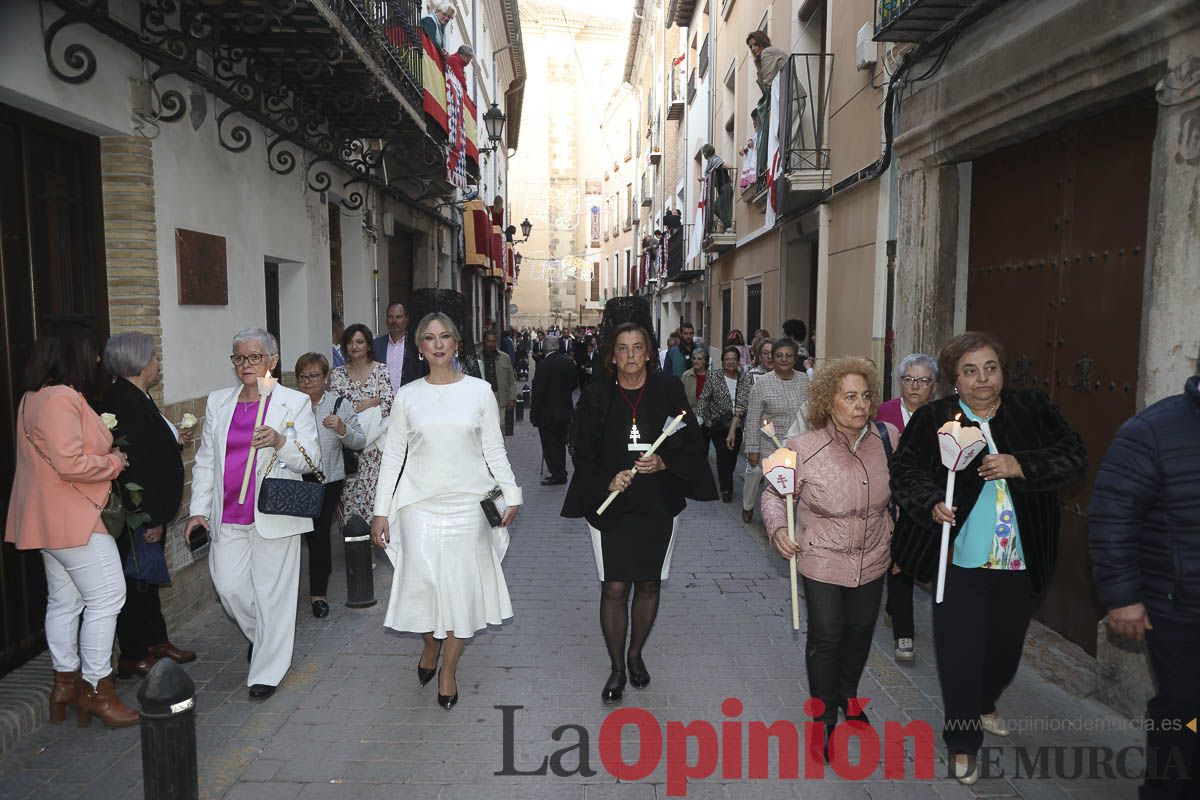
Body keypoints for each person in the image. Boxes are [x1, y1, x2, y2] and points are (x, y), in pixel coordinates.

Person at [889, 331, 1086, 785]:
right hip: (957, 560)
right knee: (959, 651)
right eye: (971, 371)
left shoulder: (1032, 409)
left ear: (1003, 371)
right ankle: (962, 739)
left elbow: (1073, 455)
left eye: (991, 368)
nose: (983, 379)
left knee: (1004, 652)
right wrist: (930, 502)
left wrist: (1022, 465)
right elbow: (905, 469)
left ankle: (984, 699)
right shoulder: (936, 417)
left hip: (1020, 557)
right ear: (954, 379)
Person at [371, 313, 521, 710]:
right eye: (429, 338)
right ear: (419, 348)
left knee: (460, 590)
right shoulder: (407, 397)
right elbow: (392, 458)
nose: (438, 344)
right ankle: (429, 644)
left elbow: (493, 450)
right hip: (418, 504)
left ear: (456, 344)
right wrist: (380, 510)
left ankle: (448, 670)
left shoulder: (480, 391)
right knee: (423, 584)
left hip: (468, 505)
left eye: (445, 337)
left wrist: (513, 494)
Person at [562, 322, 717, 704]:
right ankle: (616, 667)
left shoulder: (668, 391)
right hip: (611, 503)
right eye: (622, 348)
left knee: (648, 582)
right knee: (614, 585)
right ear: (612, 356)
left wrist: (665, 461)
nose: (630, 356)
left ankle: (635, 655)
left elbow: (691, 440)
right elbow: (580, 449)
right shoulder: (597, 395)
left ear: (649, 352)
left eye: (637, 348)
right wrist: (605, 479)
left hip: (657, 502)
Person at [765, 358, 898, 763]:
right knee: (827, 637)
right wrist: (778, 530)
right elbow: (774, 494)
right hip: (821, 555)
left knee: (860, 633)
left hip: (873, 555)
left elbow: (901, 494)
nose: (861, 405)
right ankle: (822, 718)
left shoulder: (886, 439)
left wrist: (900, 541)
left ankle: (848, 696)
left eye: (866, 396)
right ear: (829, 402)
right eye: (850, 397)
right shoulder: (803, 447)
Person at [6, 320, 135, 727]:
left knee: (65, 601)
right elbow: (70, 463)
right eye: (92, 349)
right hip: (75, 519)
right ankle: (98, 689)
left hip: (48, 522)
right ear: (72, 352)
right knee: (107, 598)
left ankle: (65, 682)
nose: (98, 358)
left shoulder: (31, 397)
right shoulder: (61, 397)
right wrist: (114, 462)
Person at [185, 328, 320, 701]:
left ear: (273, 361)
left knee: (272, 594)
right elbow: (206, 460)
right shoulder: (219, 402)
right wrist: (198, 510)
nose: (246, 365)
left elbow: (313, 458)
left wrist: (280, 441)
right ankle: (264, 639)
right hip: (227, 513)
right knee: (229, 587)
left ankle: (267, 670)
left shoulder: (292, 402)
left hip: (274, 510)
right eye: (239, 358)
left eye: (254, 357)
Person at [1088, 360, 1200, 800]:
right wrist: (1123, 599)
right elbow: (1112, 517)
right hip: (1181, 606)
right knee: (1186, 708)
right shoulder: (1154, 429)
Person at [99, 332, 195, 679]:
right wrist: (151, 517)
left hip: (151, 509)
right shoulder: (121, 402)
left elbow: (153, 449)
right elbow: (135, 466)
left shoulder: (139, 396)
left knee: (148, 580)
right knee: (136, 582)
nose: (158, 363)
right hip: (138, 512)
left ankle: (156, 641)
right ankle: (134, 653)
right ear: (139, 363)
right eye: (154, 357)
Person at [875, 352, 939, 663]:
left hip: (925, 504)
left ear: (934, 386)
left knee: (906, 563)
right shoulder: (882, 413)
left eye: (923, 380)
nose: (915, 386)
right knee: (898, 562)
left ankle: (892, 610)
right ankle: (905, 634)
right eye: (909, 379)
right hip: (888, 501)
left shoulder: (945, 418)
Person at [295, 352, 366, 619]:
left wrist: (342, 428)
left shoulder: (339, 404)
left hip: (328, 481)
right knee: (299, 535)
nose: (307, 382)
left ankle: (318, 594)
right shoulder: (291, 405)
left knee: (318, 534)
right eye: (303, 376)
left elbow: (359, 441)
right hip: (298, 479)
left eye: (314, 376)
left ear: (325, 378)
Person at [742, 338, 810, 523]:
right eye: (779, 355)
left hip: (796, 446)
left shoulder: (805, 381)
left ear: (795, 358)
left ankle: (781, 522)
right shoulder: (762, 384)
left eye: (789, 355)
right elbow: (753, 417)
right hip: (769, 444)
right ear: (773, 358)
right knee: (765, 480)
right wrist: (753, 449)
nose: (784, 359)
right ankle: (756, 512)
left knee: (789, 487)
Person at [334, 323, 394, 527]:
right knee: (351, 501)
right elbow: (337, 408)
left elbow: (389, 405)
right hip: (351, 452)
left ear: (368, 345)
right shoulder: (338, 375)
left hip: (375, 452)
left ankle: (373, 547)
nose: (354, 346)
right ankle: (355, 546)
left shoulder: (381, 371)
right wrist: (371, 403)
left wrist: (370, 403)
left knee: (375, 501)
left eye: (359, 341)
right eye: (350, 342)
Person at [696, 346, 752, 503]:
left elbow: (743, 403)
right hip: (718, 424)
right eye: (727, 359)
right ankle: (726, 489)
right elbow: (704, 397)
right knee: (722, 455)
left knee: (732, 456)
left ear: (738, 361)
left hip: (737, 424)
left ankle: (727, 478)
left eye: (734, 359)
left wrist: (734, 427)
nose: (731, 362)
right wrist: (699, 417)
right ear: (722, 361)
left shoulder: (745, 378)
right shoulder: (714, 377)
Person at [530, 334, 577, 486]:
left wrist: (533, 414)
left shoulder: (543, 364)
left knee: (550, 445)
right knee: (560, 443)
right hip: (565, 411)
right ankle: (561, 471)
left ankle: (557, 473)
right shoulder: (568, 362)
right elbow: (574, 385)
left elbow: (538, 392)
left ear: (545, 347)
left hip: (547, 414)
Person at [747, 30, 792, 178]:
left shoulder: (767, 53)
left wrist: (760, 70)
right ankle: (783, 166)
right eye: (750, 46)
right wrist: (758, 68)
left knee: (782, 136)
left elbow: (766, 86)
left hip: (789, 98)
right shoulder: (765, 56)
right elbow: (766, 88)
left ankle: (783, 168)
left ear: (762, 41)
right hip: (786, 99)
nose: (753, 49)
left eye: (754, 44)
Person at [373, 302, 422, 393]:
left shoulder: (416, 345)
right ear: (386, 320)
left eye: (399, 317)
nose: (394, 321)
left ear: (406, 319)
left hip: (409, 401)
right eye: (391, 317)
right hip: (381, 403)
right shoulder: (376, 345)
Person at [478, 329, 518, 424]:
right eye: (488, 341)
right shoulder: (477, 358)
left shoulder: (504, 357)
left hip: (499, 396)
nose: (490, 344)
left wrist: (512, 398)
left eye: (493, 341)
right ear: (484, 342)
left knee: (500, 426)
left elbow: (511, 380)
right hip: (482, 398)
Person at [701, 144, 733, 233]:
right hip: (722, 190)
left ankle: (728, 227)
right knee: (716, 208)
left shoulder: (714, 159)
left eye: (703, 152)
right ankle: (727, 225)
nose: (703, 155)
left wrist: (730, 166)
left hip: (725, 188)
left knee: (718, 207)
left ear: (706, 153)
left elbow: (721, 165)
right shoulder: (711, 163)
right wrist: (704, 179)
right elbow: (711, 175)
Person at [681, 348, 710, 414]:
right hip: (690, 415)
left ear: (705, 361)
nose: (695, 361)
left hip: (708, 417)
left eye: (699, 359)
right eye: (694, 358)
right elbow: (681, 397)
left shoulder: (712, 376)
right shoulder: (686, 376)